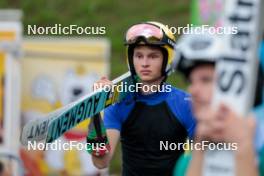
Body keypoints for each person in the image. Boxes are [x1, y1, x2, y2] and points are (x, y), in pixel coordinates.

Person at [88, 21, 196, 175]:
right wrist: (96, 111)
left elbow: (204, 159)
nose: (144, 63)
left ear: (168, 59)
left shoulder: (186, 103)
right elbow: (100, 162)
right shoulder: (119, 102)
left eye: (153, 56)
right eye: (138, 56)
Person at [172, 31, 264, 176]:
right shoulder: (187, 161)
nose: (192, 90)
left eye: (206, 80)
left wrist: (243, 147)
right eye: (191, 81)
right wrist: (200, 149)